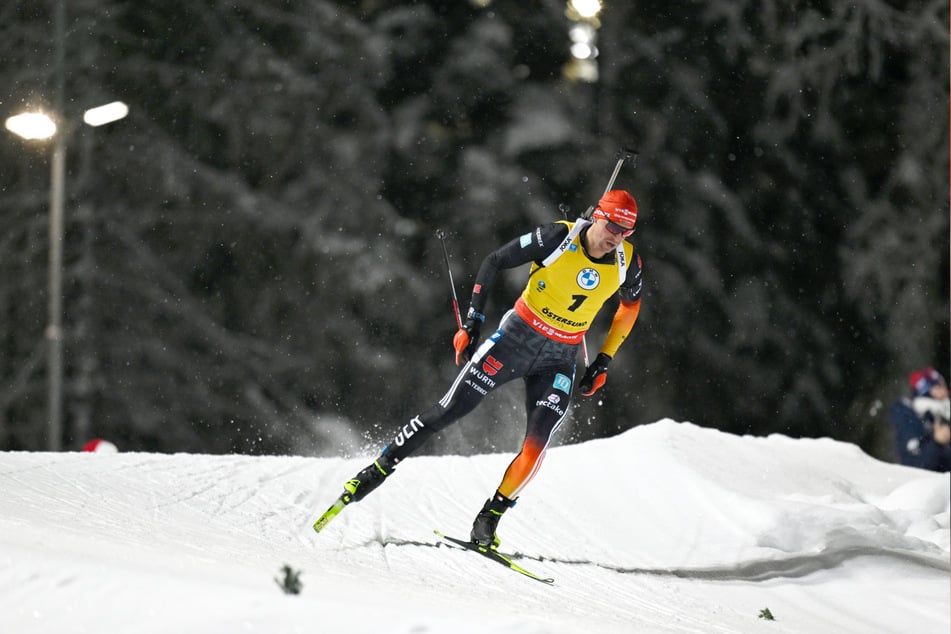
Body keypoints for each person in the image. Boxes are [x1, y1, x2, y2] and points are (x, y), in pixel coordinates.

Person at [325, 189, 644, 548]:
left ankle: (488, 519)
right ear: (597, 215)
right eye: (613, 225)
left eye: (626, 231)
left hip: (560, 357)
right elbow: (494, 261)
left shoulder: (626, 262)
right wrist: (472, 323)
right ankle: (376, 470)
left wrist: (603, 359)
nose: (616, 236)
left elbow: (629, 308)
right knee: (450, 410)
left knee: (536, 447)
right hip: (516, 339)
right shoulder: (559, 236)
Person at [888, 367, 951, 472]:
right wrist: (937, 443)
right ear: (926, 391)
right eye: (938, 387)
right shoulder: (911, 418)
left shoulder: (943, 415)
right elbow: (914, 465)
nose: (945, 391)